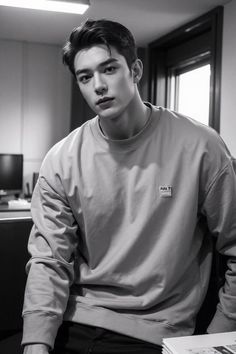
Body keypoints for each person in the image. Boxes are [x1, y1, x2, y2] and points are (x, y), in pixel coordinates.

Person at [22, 19, 236, 354]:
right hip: (76, 320)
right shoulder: (61, 160)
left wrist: (219, 332)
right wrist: (36, 342)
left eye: (109, 69)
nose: (99, 86)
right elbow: (49, 260)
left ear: (134, 70)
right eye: (85, 76)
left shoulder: (202, 147)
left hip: (159, 333)